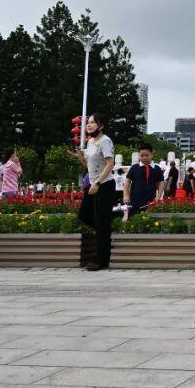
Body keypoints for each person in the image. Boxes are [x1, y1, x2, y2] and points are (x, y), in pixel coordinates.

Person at [74, 113, 117, 271]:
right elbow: (88, 165)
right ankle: (105, 228)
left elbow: (110, 164)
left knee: (101, 223)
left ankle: (101, 261)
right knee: (84, 215)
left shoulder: (105, 141)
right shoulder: (91, 142)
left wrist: (98, 183)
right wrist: (80, 158)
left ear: (101, 126)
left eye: (92, 122)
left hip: (104, 185)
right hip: (92, 185)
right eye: (88, 122)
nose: (89, 125)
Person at [122, 145, 164, 215]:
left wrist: (158, 197)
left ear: (152, 154)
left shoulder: (156, 168)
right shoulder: (134, 168)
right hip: (135, 200)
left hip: (150, 200)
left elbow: (161, 183)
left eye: (147, 155)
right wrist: (126, 195)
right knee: (133, 217)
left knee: (149, 218)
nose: (144, 157)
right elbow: (127, 181)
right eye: (142, 155)